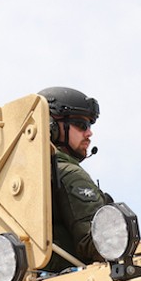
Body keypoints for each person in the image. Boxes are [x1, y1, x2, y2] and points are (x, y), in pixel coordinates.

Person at [38, 86, 113, 268]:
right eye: (82, 125)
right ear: (51, 127)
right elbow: (100, 245)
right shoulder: (69, 173)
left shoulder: (22, 177)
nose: (89, 133)